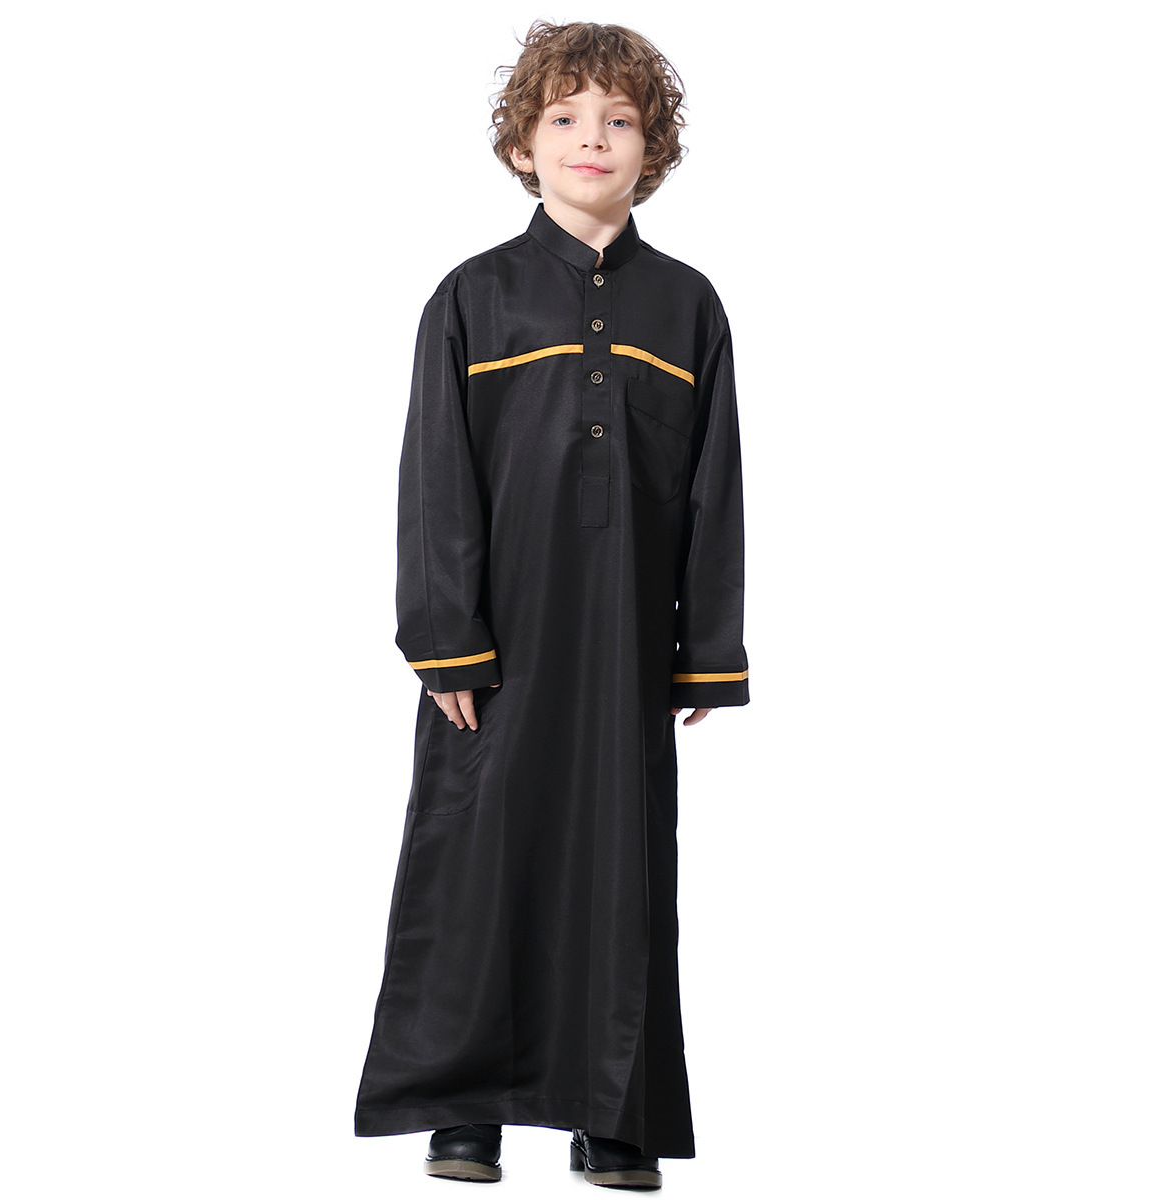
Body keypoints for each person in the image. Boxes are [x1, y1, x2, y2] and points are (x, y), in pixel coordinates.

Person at [354, 20, 749, 1189]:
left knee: (620, 874)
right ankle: (463, 1107)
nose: (593, 137)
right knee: (477, 864)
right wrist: (447, 641)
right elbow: (436, 476)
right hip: (500, 650)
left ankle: (612, 1112)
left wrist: (705, 652)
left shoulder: (688, 307)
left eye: (619, 120)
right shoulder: (473, 298)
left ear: (651, 149)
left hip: (624, 651)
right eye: (565, 117)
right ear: (523, 147)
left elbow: (716, 487)